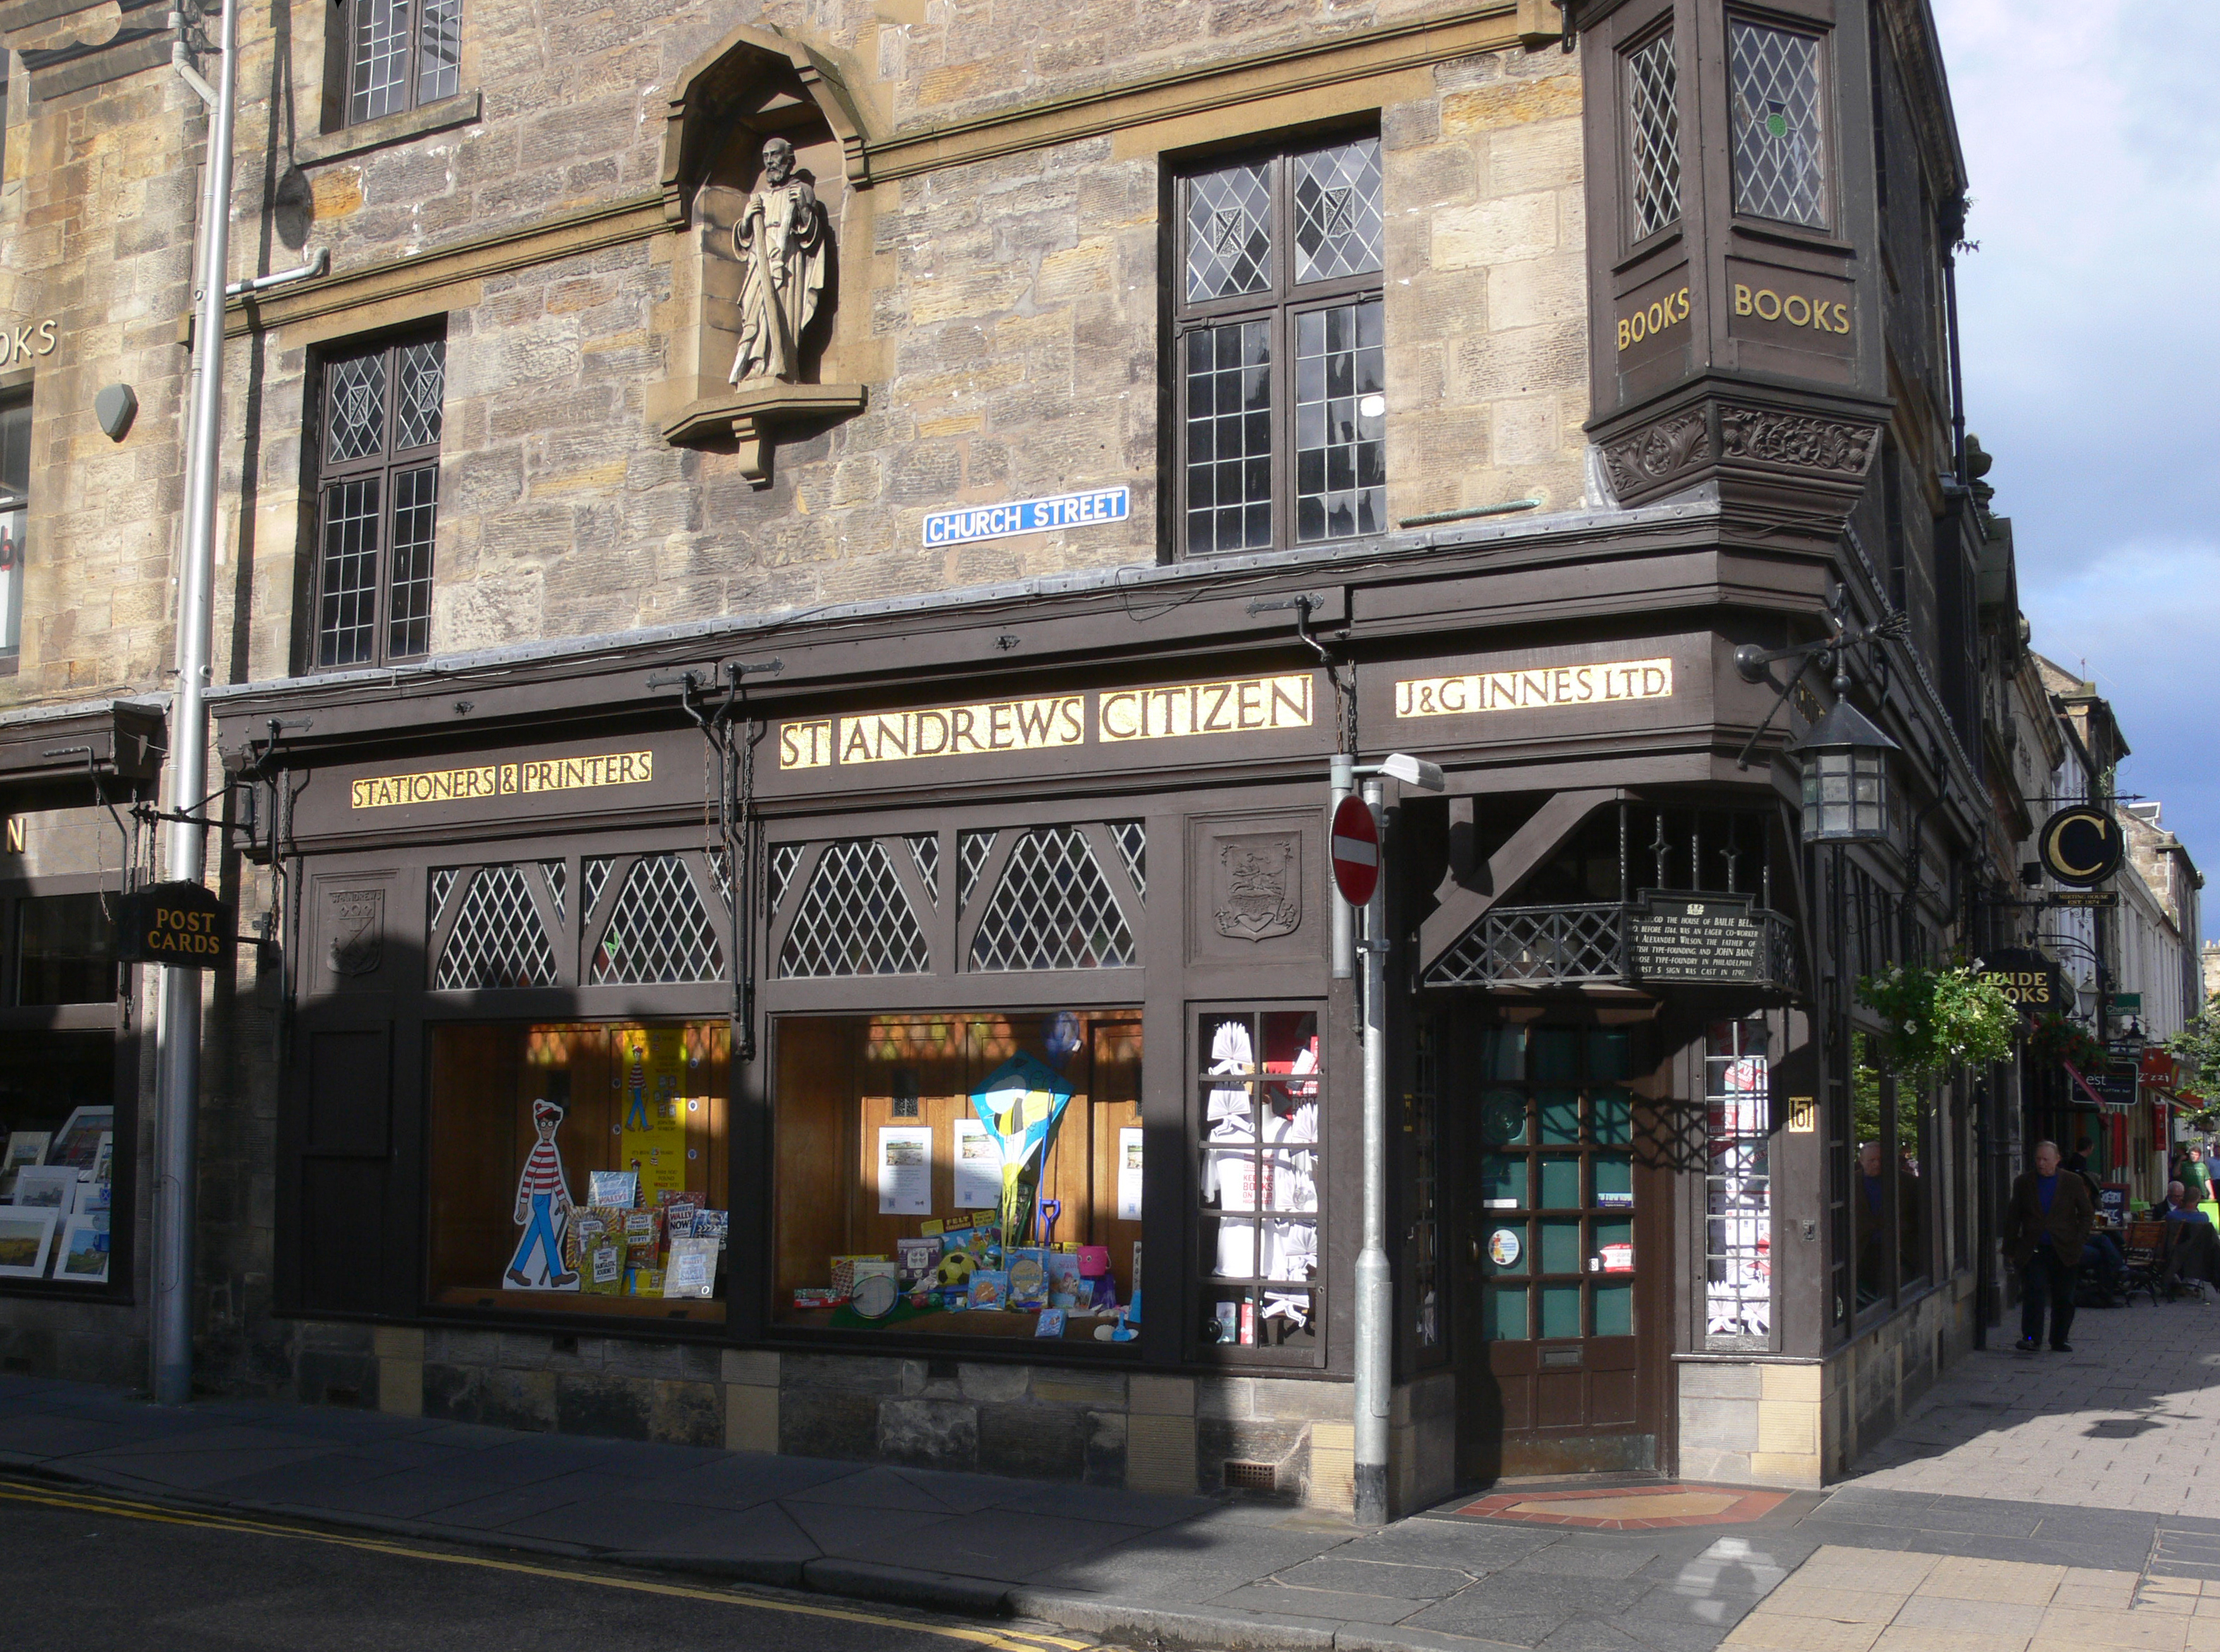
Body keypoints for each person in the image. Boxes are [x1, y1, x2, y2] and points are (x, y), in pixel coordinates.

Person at [2007, 1139, 2095, 1352]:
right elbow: (2013, 1216)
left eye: (2046, 1160)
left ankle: (2059, 1339)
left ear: (2057, 1160)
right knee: (2034, 1293)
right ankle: (2031, 1337)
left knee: (2064, 1297)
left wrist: (2079, 1240)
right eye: (2038, 1159)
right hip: (2034, 1248)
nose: (2041, 1164)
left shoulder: (2072, 1181)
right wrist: (2011, 1248)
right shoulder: (2023, 1182)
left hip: (2064, 1248)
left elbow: (2086, 1213)